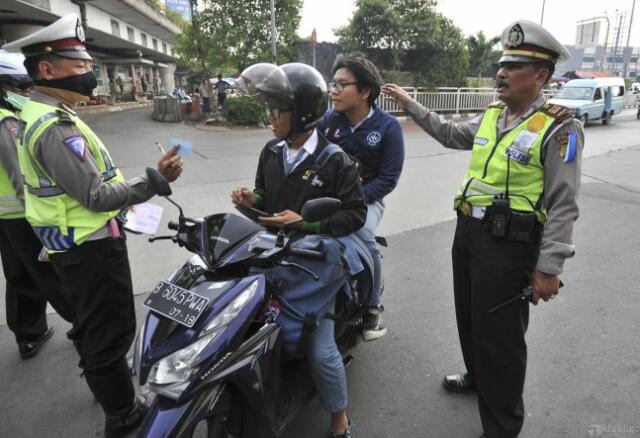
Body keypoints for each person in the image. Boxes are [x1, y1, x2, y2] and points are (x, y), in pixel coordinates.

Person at [383, 20, 583, 438]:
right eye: (502, 65)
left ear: (541, 76)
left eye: (514, 67)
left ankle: (502, 427)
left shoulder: (559, 127)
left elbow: (563, 203)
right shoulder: (493, 115)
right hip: (470, 234)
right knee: (470, 316)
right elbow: (450, 134)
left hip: (510, 246)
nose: (501, 73)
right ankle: (478, 377)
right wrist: (409, 103)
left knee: (501, 338)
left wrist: (549, 267)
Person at [3, 13, 184, 437]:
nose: (90, 72)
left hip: (74, 243)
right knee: (111, 332)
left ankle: (107, 385)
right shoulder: (53, 126)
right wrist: (154, 181)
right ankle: (124, 414)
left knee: (92, 326)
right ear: (47, 70)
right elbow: (96, 196)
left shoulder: (45, 113)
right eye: (81, 65)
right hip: (90, 247)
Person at [231, 62, 366, 438]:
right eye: (269, 108)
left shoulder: (334, 159)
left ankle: (339, 421)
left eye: (278, 109)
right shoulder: (271, 151)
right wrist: (252, 199)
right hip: (271, 256)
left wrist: (305, 224)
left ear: (303, 112)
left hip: (313, 268)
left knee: (320, 349)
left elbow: (355, 215)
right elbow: (265, 194)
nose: (270, 116)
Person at [319, 53, 405, 341]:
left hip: (368, 199)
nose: (334, 90)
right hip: (328, 196)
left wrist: (354, 201)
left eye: (342, 84)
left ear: (365, 91)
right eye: (333, 83)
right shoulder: (328, 121)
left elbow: (388, 179)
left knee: (364, 236)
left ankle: (372, 306)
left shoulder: (388, 127)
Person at [0, 49, 72, 359]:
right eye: (20, 87)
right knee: (52, 274)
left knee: (19, 275)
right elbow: (19, 175)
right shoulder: (6, 121)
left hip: (5, 215)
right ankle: (85, 325)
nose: (27, 93)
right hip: (22, 214)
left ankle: (29, 334)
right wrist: (40, 218)